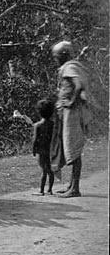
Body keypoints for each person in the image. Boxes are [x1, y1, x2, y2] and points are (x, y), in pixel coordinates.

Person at [52, 41, 89, 198]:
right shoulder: (69, 67)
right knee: (69, 147)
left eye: (57, 56)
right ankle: (72, 185)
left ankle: (75, 188)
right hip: (68, 112)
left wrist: (71, 102)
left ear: (64, 55)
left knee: (73, 149)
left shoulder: (71, 67)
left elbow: (78, 85)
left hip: (72, 113)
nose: (56, 59)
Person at [32, 98, 57, 195]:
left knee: (43, 170)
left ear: (39, 112)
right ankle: (50, 189)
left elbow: (35, 139)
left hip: (41, 151)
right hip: (50, 150)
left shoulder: (37, 125)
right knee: (50, 171)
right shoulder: (53, 125)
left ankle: (41, 190)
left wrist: (34, 150)